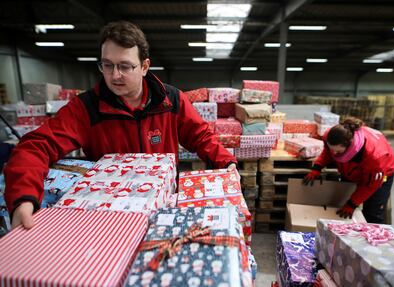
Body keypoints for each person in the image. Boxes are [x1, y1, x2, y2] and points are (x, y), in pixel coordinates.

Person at [4, 20, 238, 229]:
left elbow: (200, 135)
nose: (115, 75)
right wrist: (23, 199)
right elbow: (36, 145)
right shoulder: (87, 108)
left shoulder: (171, 100)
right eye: (107, 65)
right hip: (106, 217)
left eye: (125, 66)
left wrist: (225, 161)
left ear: (145, 67)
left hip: (161, 210)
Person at [303, 117, 394, 223]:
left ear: (349, 147)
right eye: (332, 149)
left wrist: (352, 204)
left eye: (338, 152)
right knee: (340, 202)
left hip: (380, 174)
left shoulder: (375, 157)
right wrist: (317, 167)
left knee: (372, 214)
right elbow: (328, 152)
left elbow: (370, 185)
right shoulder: (333, 135)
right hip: (351, 170)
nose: (334, 154)